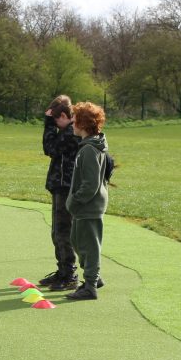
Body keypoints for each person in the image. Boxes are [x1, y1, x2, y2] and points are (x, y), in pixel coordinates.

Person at [65, 101, 110, 301]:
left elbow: (90, 184)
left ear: (82, 124)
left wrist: (74, 200)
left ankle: (90, 285)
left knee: (89, 246)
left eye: (74, 120)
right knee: (77, 241)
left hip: (89, 206)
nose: (72, 123)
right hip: (84, 207)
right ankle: (94, 277)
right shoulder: (87, 147)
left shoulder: (89, 150)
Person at [39, 95, 81, 291]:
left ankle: (70, 274)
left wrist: (48, 123)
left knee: (63, 232)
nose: (55, 124)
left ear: (63, 116)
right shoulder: (66, 130)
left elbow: (50, 148)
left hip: (66, 186)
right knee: (57, 232)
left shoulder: (71, 131)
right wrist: (51, 121)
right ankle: (62, 271)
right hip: (60, 185)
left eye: (56, 120)